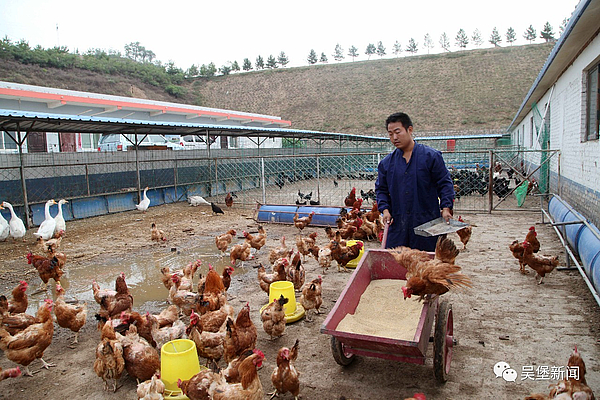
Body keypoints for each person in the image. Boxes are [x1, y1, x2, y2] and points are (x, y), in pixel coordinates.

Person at [375, 112, 455, 251]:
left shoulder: (431, 157)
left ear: (409, 130)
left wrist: (446, 208)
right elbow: (381, 189)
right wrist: (385, 210)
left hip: (426, 222)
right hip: (398, 224)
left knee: (427, 265)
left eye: (397, 132)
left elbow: (445, 183)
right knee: (396, 263)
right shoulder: (386, 164)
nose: (394, 137)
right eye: (390, 134)